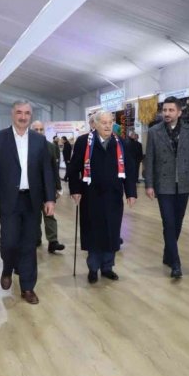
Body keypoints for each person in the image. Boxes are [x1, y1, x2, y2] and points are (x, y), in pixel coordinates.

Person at [0, 101, 55, 305]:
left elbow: (47, 171)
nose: (23, 117)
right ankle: (7, 268)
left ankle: (28, 287)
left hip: (32, 200)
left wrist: (50, 198)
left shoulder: (39, 140)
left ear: (31, 115)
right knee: (9, 242)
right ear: (12, 114)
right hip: (8, 200)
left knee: (29, 244)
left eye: (27, 113)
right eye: (19, 113)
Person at [69, 110, 137, 283]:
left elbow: (129, 169)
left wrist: (131, 192)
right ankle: (93, 268)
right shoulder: (84, 142)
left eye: (110, 122)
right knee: (93, 232)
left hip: (113, 195)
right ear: (95, 124)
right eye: (104, 123)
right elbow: (74, 168)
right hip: (91, 195)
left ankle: (107, 267)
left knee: (112, 232)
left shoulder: (120, 142)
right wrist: (75, 189)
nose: (107, 126)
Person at [144, 97, 189, 279]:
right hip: (163, 185)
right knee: (168, 223)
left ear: (179, 112)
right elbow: (149, 160)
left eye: (171, 110)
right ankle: (176, 263)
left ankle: (168, 253)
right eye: (164, 110)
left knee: (177, 223)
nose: (167, 113)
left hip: (183, 183)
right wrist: (149, 184)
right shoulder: (154, 132)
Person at [31, 121, 65, 254]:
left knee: (49, 214)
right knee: (34, 216)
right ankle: (35, 238)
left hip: (47, 188)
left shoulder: (51, 147)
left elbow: (54, 168)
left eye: (41, 129)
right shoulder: (25, 146)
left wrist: (58, 187)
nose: (39, 132)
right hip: (31, 188)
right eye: (36, 129)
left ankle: (53, 241)